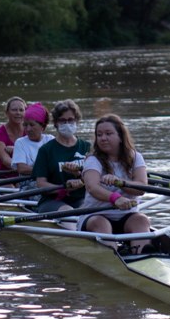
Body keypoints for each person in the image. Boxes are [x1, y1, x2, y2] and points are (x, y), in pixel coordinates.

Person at [78, 114, 152, 253]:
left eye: (108, 133)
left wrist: (121, 183)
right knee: (101, 224)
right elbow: (92, 188)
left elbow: (142, 187)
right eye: (99, 135)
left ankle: (142, 256)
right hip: (95, 216)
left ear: (120, 136)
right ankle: (111, 257)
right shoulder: (93, 160)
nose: (103, 138)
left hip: (126, 216)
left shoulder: (135, 157)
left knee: (142, 220)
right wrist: (115, 198)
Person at [32, 100, 91, 212]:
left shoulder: (87, 147)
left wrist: (81, 180)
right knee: (68, 212)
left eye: (70, 120)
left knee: (89, 211)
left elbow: (96, 178)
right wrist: (65, 187)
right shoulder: (46, 150)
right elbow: (41, 184)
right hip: (52, 200)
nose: (67, 124)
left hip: (81, 199)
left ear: (76, 121)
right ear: (56, 123)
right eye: (62, 121)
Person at [11, 102, 53, 189]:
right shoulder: (20, 142)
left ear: (43, 127)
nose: (28, 129)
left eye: (32, 125)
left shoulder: (50, 140)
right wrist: (45, 170)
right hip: (28, 183)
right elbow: (22, 169)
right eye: (25, 125)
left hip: (48, 180)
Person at [0, 96, 26, 179]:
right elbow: (6, 161)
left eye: (21, 110)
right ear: (7, 113)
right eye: (14, 110)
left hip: (22, 176)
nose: (18, 113)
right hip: (1, 176)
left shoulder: (29, 131)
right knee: (11, 189)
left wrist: (15, 149)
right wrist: (25, 168)